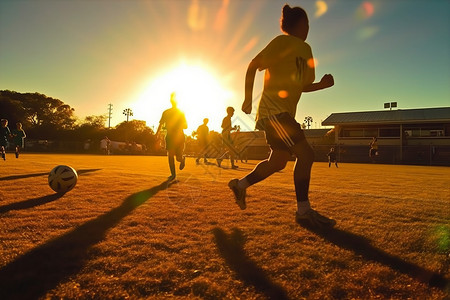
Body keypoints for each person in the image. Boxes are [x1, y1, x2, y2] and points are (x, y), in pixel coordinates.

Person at [228, 4, 336, 228]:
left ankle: (240, 185)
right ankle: (303, 211)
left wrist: (322, 86)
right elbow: (253, 65)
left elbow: (303, 86)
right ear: (297, 24)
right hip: (274, 112)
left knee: (277, 162)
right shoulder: (281, 42)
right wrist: (247, 98)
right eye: (306, 23)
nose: (308, 28)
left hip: (281, 114)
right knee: (306, 155)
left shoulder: (306, 50)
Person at [155, 93, 187, 181]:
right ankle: (173, 174)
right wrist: (156, 133)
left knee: (178, 157)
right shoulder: (166, 112)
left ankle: (182, 159)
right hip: (170, 136)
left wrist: (178, 125)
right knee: (170, 155)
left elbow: (186, 126)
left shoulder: (181, 113)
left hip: (179, 136)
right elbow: (161, 124)